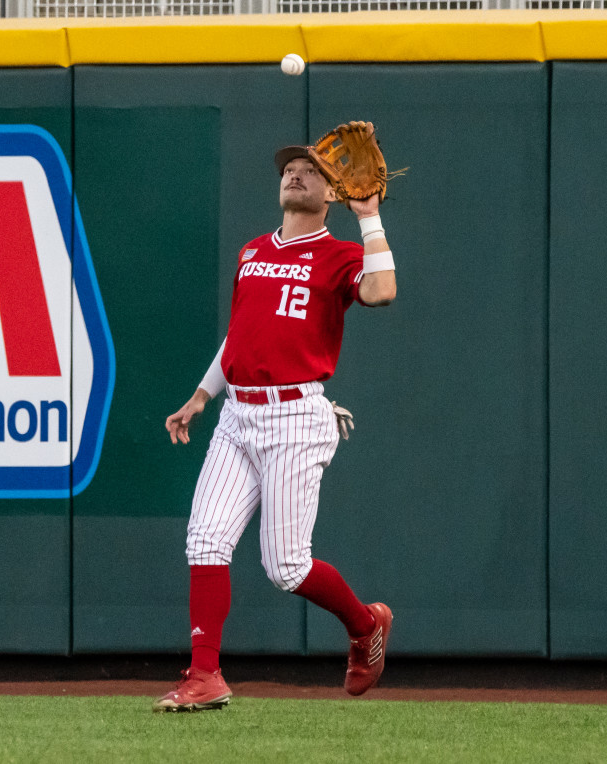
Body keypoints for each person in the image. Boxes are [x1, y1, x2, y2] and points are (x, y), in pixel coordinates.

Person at [152, 145, 399, 712]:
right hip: (237, 413)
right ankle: (205, 675)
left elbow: (382, 291)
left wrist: (369, 217)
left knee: (286, 565)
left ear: (332, 192)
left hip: (295, 415)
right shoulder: (252, 251)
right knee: (205, 540)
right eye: (290, 167)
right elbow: (239, 336)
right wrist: (200, 395)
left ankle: (366, 626)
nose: (295, 173)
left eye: (311, 170)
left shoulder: (338, 254)